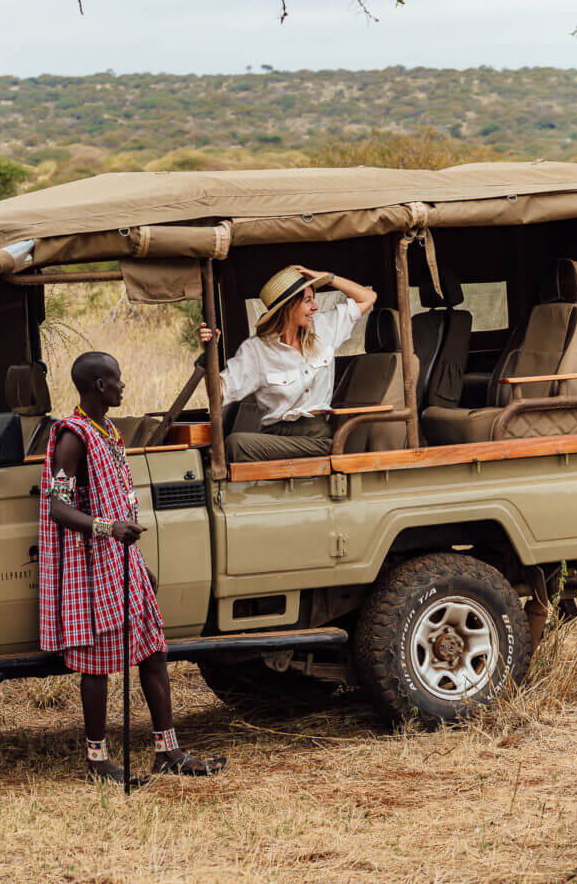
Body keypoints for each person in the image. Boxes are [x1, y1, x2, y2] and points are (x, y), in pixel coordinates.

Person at [39, 351, 227, 784]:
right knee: (97, 664)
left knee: (154, 652)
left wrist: (136, 561)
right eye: (118, 380)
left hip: (123, 559)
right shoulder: (73, 436)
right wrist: (109, 528)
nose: (124, 386)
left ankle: (168, 751)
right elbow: (57, 508)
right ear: (100, 385)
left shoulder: (105, 430)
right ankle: (97, 761)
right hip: (95, 563)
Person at [200, 265, 377, 462]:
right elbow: (218, 393)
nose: (315, 307)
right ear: (288, 306)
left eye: (313, 299)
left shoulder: (324, 328)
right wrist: (210, 355)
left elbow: (368, 297)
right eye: (307, 301)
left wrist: (328, 278)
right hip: (275, 436)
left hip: (316, 437)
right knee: (234, 443)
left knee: (235, 444)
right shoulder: (257, 350)